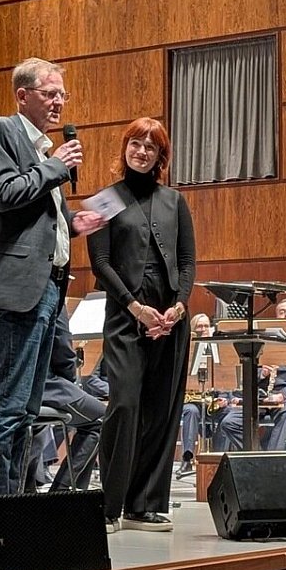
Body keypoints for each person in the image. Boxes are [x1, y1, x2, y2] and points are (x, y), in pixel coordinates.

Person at [0, 57, 104, 496]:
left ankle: (15, 503)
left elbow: (35, 217)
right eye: (50, 93)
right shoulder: (3, 132)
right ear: (22, 95)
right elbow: (4, 194)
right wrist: (57, 166)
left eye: (63, 94)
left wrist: (72, 222)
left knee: (26, 410)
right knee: (7, 407)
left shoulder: (43, 152)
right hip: (20, 288)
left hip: (49, 287)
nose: (59, 102)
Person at [87, 117, 196, 532]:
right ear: (125, 147)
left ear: (160, 156)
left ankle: (143, 505)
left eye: (151, 146)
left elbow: (187, 260)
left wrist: (180, 306)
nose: (142, 151)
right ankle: (108, 505)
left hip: (171, 319)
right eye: (136, 143)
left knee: (161, 411)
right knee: (125, 405)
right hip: (125, 318)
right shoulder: (105, 200)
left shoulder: (175, 201)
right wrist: (135, 307)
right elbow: (100, 264)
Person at [217, 298, 286, 451]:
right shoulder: (265, 341)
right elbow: (250, 372)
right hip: (262, 395)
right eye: (282, 312)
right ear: (276, 317)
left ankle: (272, 457)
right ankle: (258, 456)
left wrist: (283, 395)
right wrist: (262, 373)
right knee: (229, 423)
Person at [25, 304, 105, 492]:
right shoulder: (51, 295)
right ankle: (62, 492)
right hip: (44, 385)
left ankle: (27, 488)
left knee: (33, 423)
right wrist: (69, 379)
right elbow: (62, 349)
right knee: (102, 418)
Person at [177, 313, 230, 479]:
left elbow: (225, 376)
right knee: (191, 411)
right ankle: (187, 459)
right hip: (191, 401)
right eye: (199, 326)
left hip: (211, 400)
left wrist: (223, 397)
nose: (203, 329)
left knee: (229, 415)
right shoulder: (184, 350)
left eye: (206, 326)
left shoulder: (217, 349)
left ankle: (219, 459)